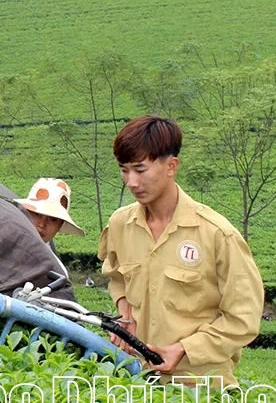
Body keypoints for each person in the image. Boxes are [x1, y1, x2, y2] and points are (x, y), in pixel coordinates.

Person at [99, 115, 263, 386]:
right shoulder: (121, 224)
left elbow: (244, 318)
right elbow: (117, 277)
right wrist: (125, 315)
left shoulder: (217, 234)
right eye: (124, 169)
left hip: (203, 390)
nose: (131, 182)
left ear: (171, 166)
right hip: (137, 380)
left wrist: (184, 349)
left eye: (140, 170)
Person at [15, 177, 85, 245]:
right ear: (24, 212)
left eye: (52, 219)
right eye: (37, 214)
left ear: (60, 225)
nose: (42, 224)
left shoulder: (48, 256)